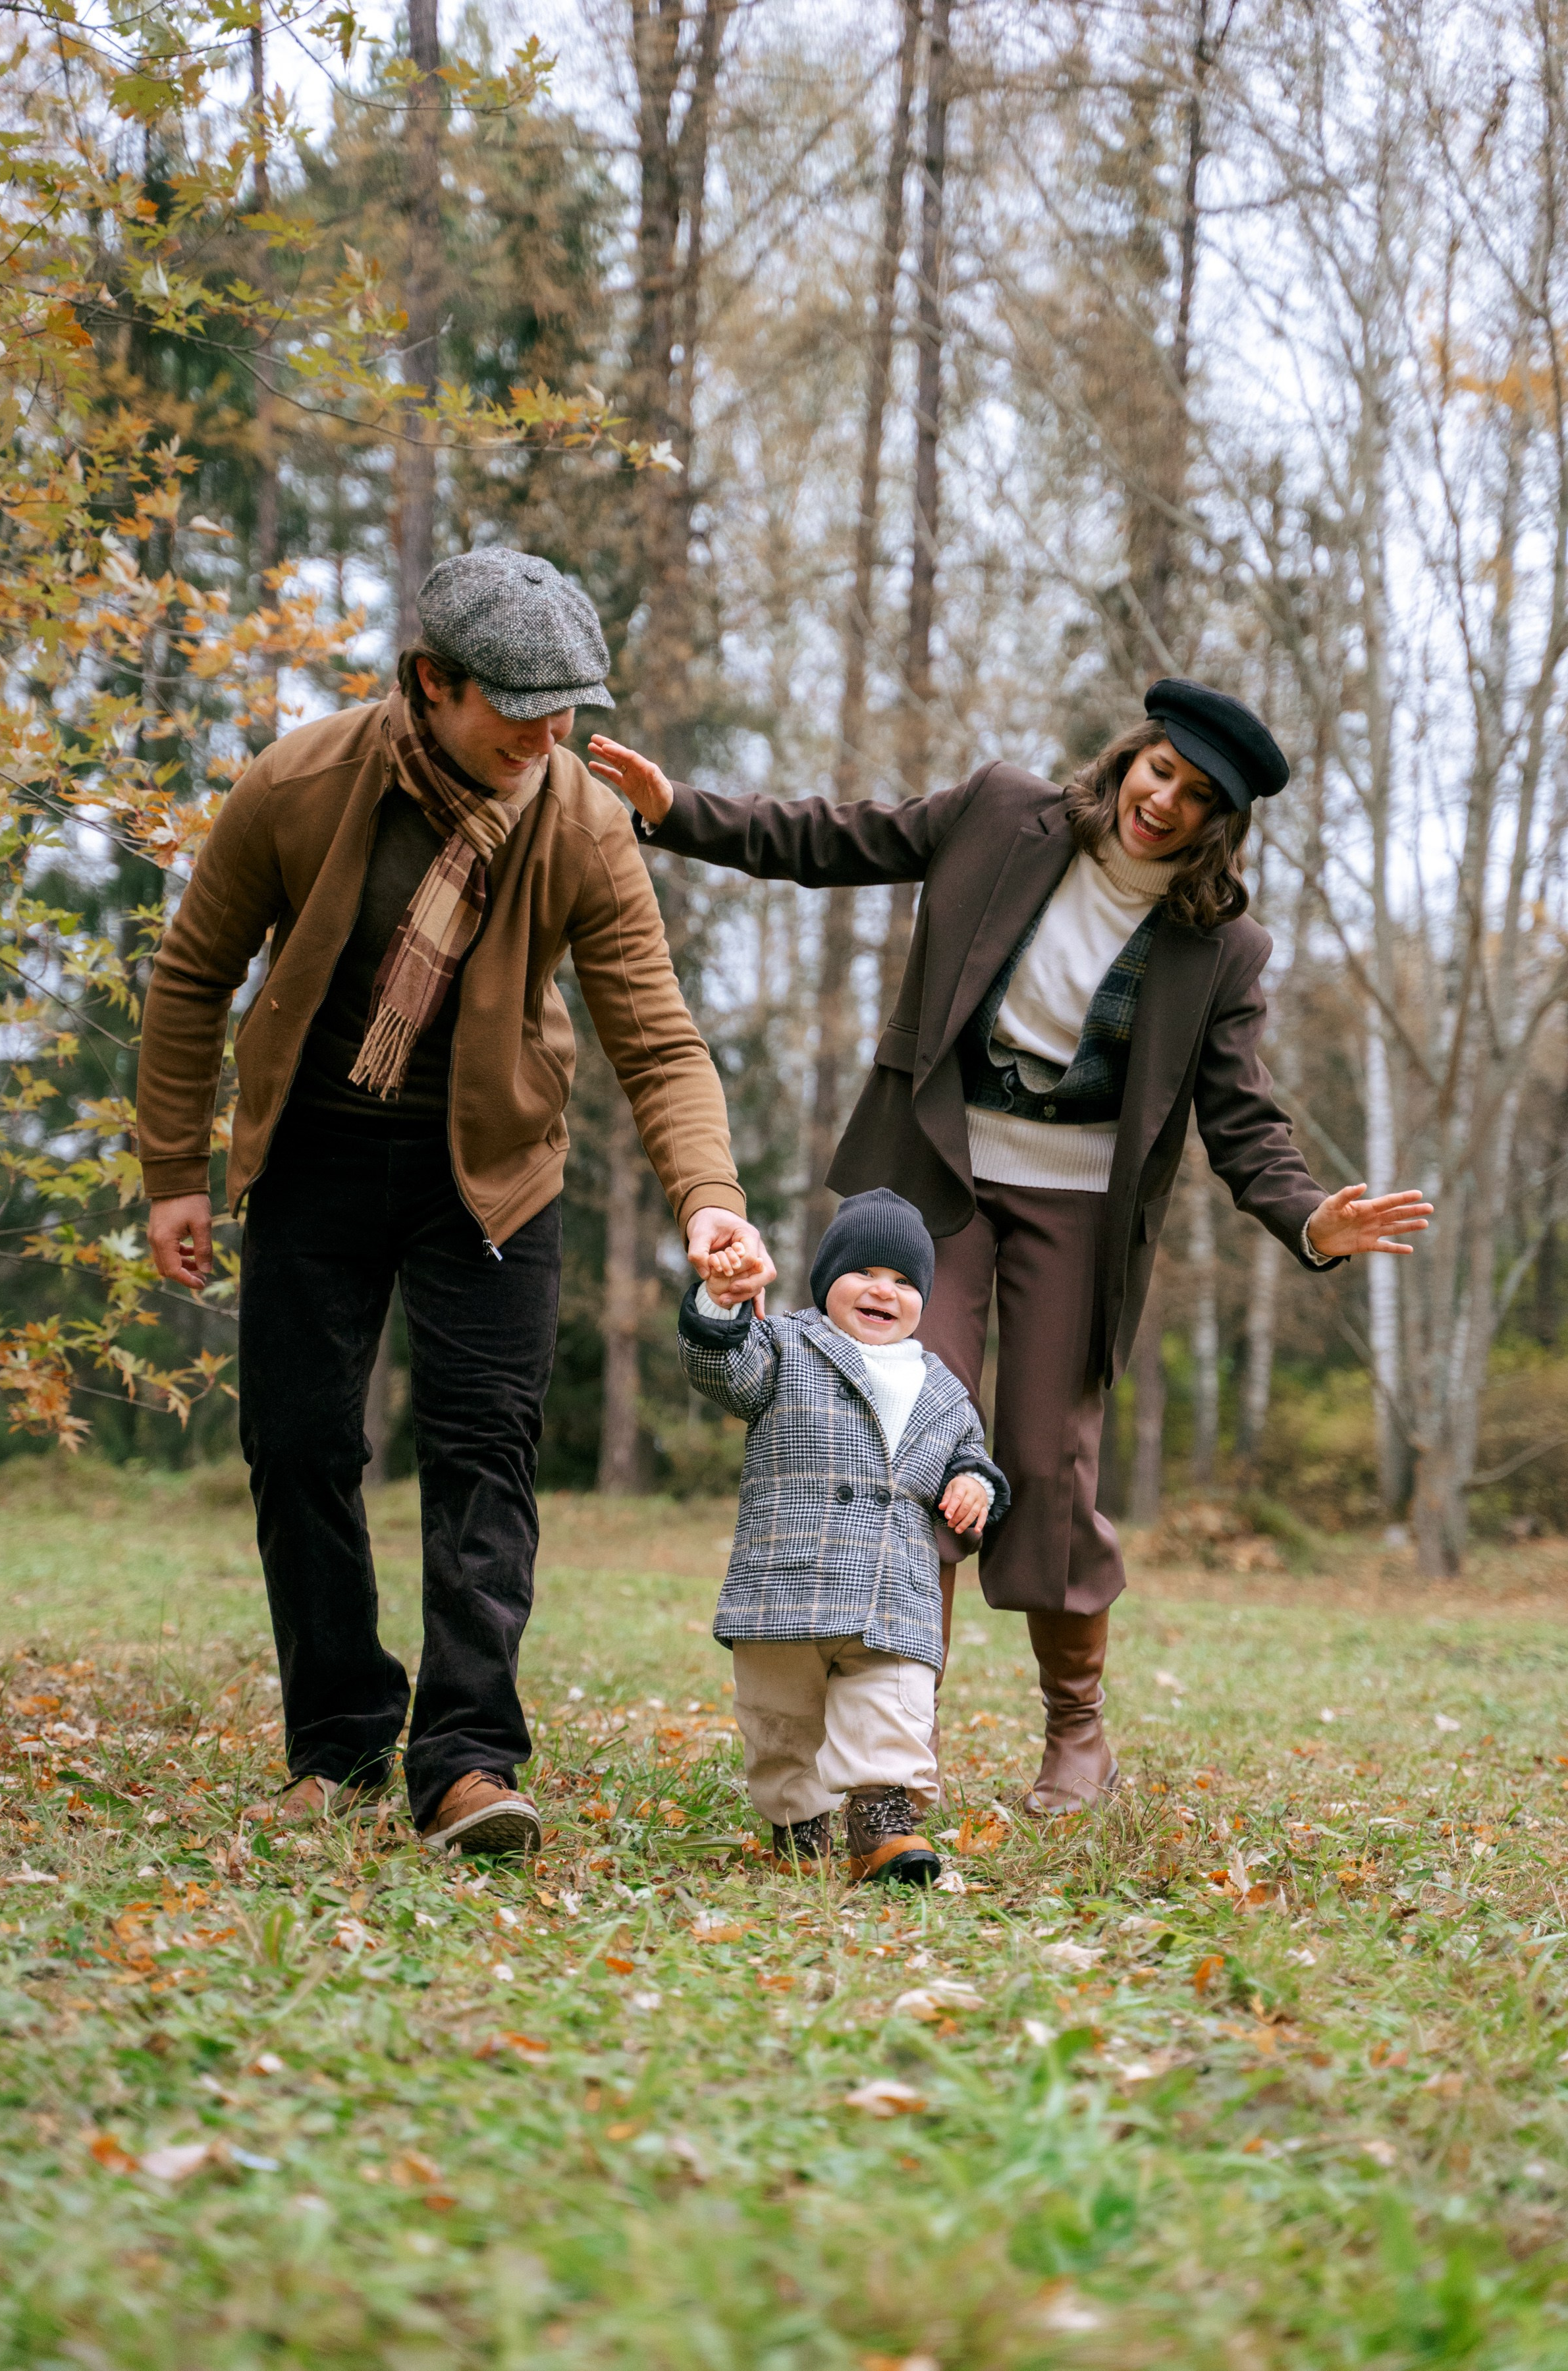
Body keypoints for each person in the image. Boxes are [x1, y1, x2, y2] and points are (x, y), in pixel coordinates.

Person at [589, 680, 1432, 1816]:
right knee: (903, 1430)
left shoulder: (1223, 950)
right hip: (940, 1178)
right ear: (1130, 758)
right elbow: (836, 840)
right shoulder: (1000, 813)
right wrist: (678, 809)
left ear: (1220, 823)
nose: (1164, 802)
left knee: (1044, 1459)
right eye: (1160, 770)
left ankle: (1076, 1729)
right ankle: (896, 1732)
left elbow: (1242, 1119)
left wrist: (1309, 1220)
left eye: (1196, 796)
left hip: (1080, 1207)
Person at [138, 549, 772, 1857]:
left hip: (491, 1171)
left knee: (485, 1454)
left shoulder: (582, 822)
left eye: (568, 712)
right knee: (300, 1448)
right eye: (521, 712)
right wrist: (174, 1177)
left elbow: (656, 1037)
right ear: (433, 682)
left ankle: (468, 1761)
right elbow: (194, 975)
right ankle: (339, 1744)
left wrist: (709, 1196)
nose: (550, 739)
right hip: (315, 1153)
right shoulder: (299, 785)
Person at [680, 1187, 1009, 1885]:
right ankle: (798, 1824)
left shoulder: (942, 1387)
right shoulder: (783, 1345)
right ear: (827, 1282)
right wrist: (720, 1305)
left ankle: (882, 1821)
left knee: (893, 1704)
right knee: (780, 1721)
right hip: (786, 1584)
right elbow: (723, 1372)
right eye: (864, 1273)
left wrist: (975, 1485)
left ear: (923, 1299)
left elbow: (970, 1453)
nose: (883, 1290)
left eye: (903, 1281)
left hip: (894, 1595)